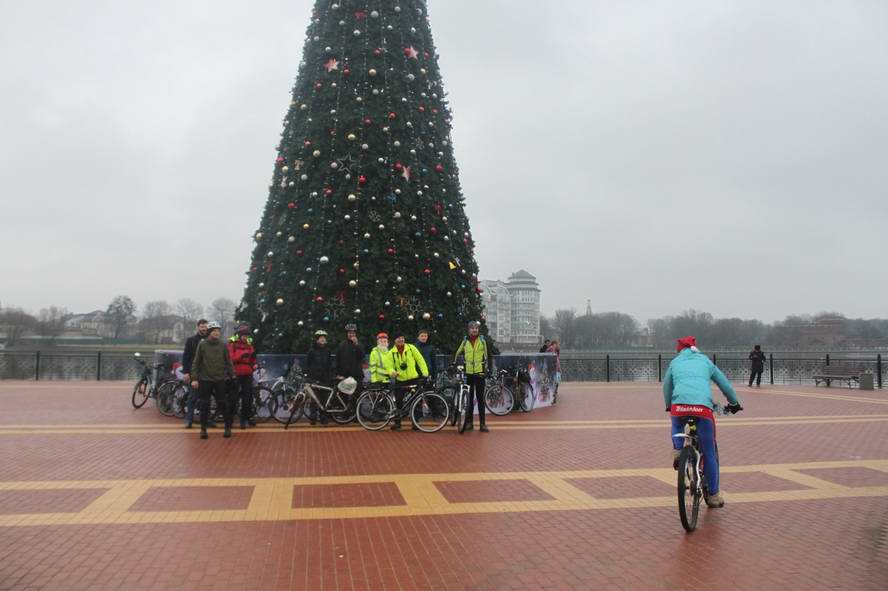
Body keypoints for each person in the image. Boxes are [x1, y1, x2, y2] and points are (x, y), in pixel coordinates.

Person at [663, 336, 743, 508]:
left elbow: (666, 386)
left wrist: (670, 405)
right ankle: (713, 495)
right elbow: (724, 384)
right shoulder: (705, 361)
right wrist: (734, 403)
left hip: (679, 406)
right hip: (702, 409)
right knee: (709, 451)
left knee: (676, 424)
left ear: (679, 350)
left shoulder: (675, 362)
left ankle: (678, 450)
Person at [190, 322, 235, 439]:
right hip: (205, 379)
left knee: (223, 404)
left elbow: (228, 361)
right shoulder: (202, 345)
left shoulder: (223, 345)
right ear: (209, 332)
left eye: (218, 331)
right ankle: (203, 430)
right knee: (204, 405)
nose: (216, 333)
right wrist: (194, 378)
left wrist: (232, 375)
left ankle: (227, 428)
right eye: (214, 330)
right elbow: (196, 362)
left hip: (220, 379)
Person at [453, 320, 490, 432]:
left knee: (480, 399)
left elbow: (488, 356)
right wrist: (454, 363)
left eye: (476, 328)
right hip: (468, 373)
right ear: (469, 330)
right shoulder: (465, 341)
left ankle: (482, 424)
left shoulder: (483, 341)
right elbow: (457, 353)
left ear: (478, 330)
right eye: (472, 328)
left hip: (480, 374)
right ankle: (469, 423)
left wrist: (487, 369)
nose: (474, 330)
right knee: (468, 400)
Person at [389, 332, 429, 431]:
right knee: (398, 401)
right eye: (398, 338)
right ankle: (398, 423)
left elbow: (420, 360)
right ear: (395, 340)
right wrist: (392, 372)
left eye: (402, 338)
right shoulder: (391, 352)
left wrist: (425, 374)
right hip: (400, 380)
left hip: (413, 379)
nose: (401, 340)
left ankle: (416, 423)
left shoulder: (411, 348)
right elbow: (388, 366)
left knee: (417, 401)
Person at [181, 318, 214, 429]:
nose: (204, 329)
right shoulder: (191, 340)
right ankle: (189, 420)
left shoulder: (211, 340)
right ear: (198, 327)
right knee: (192, 398)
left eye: (205, 327)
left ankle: (207, 419)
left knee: (207, 398)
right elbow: (186, 357)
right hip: (194, 373)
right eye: (202, 326)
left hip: (208, 373)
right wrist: (186, 372)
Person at [228, 324, 257, 429]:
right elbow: (231, 358)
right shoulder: (232, 343)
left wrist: (254, 364)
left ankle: (243, 419)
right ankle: (230, 419)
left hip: (248, 373)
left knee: (247, 398)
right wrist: (242, 355)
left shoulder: (249, 343)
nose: (245, 337)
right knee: (233, 398)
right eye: (243, 335)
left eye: (247, 335)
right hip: (236, 373)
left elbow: (253, 357)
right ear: (239, 335)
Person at [305, 330, 333, 424]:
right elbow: (308, 364)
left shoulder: (328, 351)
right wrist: (309, 376)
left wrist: (330, 375)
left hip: (325, 378)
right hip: (314, 378)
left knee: (324, 399)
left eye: (324, 338)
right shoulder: (311, 351)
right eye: (321, 338)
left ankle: (323, 418)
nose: (323, 339)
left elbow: (329, 364)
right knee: (314, 399)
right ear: (317, 339)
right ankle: (313, 418)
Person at [336, 323, 366, 388]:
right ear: (347, 334)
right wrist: (337, 374)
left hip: (357, 376)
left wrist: (356, 344)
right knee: (344, 396)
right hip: (345, 376)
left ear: (355, 334)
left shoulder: (359, 344)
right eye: (350, 333)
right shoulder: (342, 345)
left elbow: (362, 355)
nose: (351, 335)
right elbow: (337, 360)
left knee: (357, 396)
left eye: (353, 333)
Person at [546, 339, 561, 404]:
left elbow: (557, 360)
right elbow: (554, 360)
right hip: (553, 369)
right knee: (554, 383)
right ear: (554, 344)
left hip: (555, 369)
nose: (558, 345)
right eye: (557, 344)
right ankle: (552, 398)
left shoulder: (554, 350)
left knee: (556, 383)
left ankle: (553, 398)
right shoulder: (551, 349)